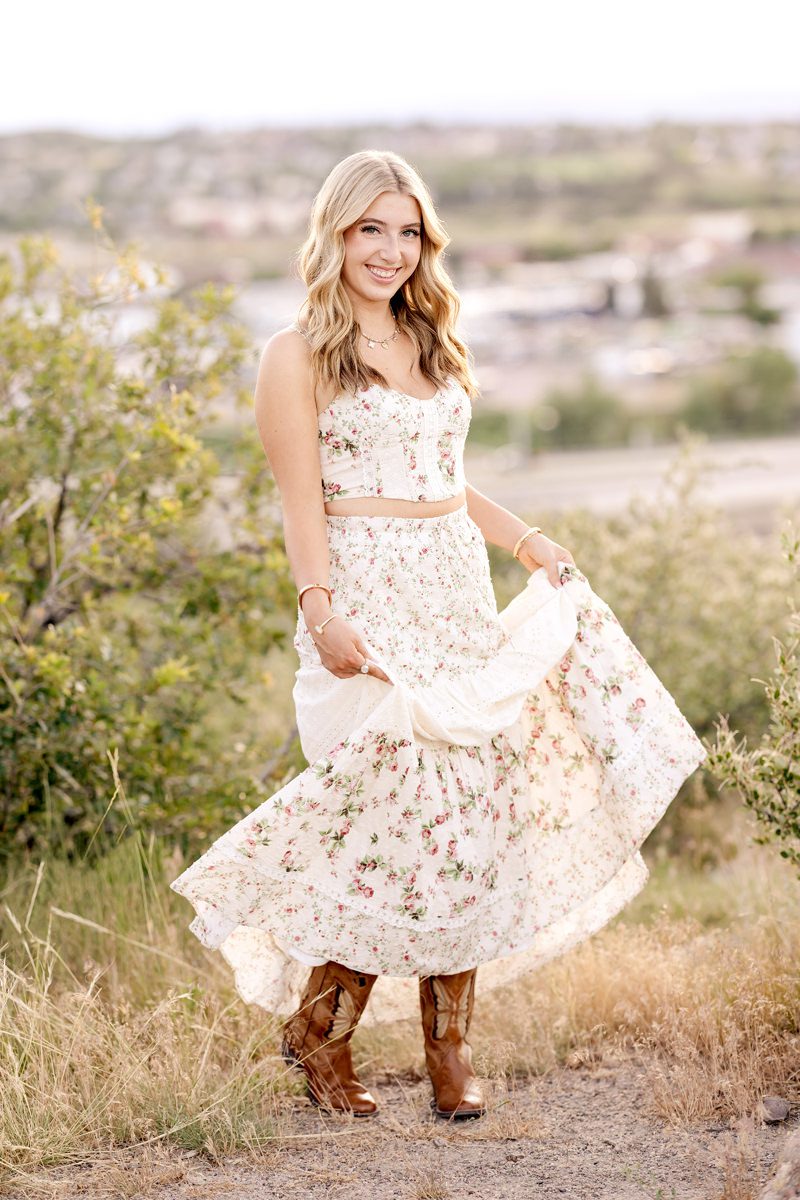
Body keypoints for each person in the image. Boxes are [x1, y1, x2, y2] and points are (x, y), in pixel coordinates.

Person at [170, 149, 706, 1122]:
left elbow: (444, 485)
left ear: (426, 244)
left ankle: (448, 1055)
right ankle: (318, 1036)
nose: (388, 249)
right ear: (334, 232)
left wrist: (527, 539)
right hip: (367, 605)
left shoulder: (433, 341)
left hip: (454, 596)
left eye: (406, 231)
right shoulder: (294, 354)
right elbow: (302, 501)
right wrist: (317, 608)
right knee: (391, 826)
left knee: (464, 827)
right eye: (370, 228)